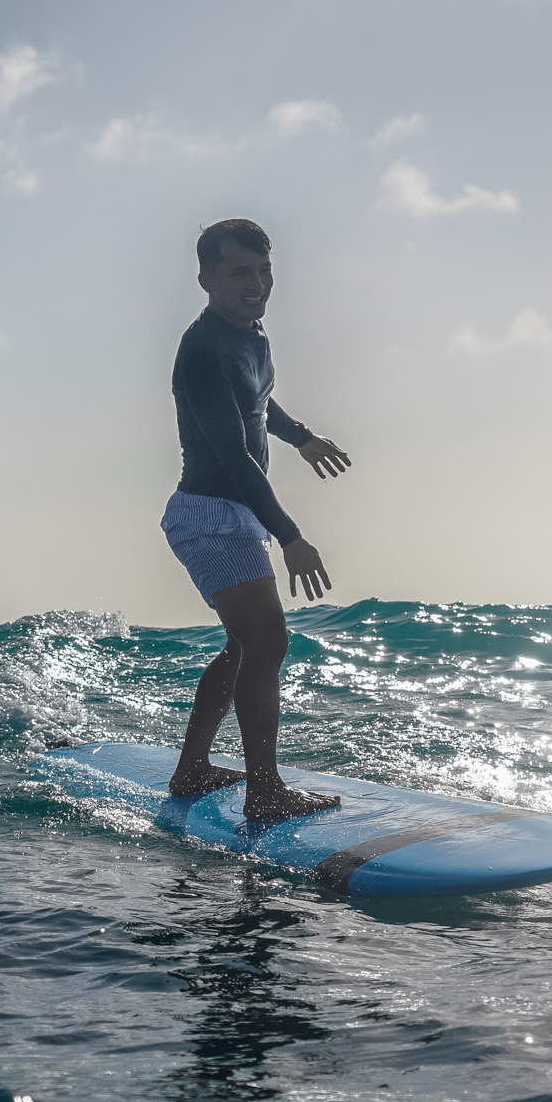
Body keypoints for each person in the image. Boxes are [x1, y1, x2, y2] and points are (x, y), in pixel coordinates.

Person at [161, 218, 351, 819]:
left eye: (264, 270)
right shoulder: (202, 352)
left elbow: (259, 400)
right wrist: (290, 536)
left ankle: (193, 769)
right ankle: (264, 792)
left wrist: (301, 437)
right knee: (267, 641)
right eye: (240, 272)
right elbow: (234, 457)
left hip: (238, 513)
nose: (257, 284)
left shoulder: (252, 333)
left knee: (246, 646)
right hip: (210, 515)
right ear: (206, 278)